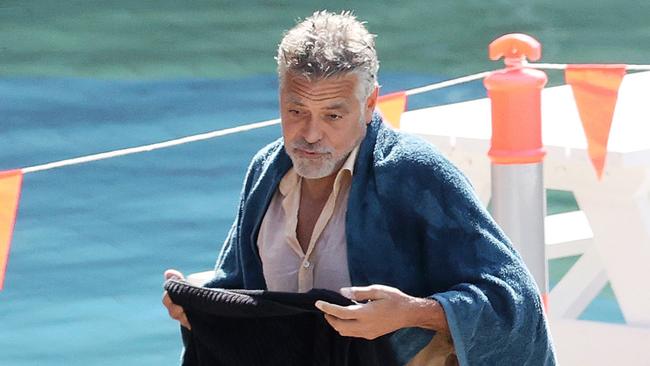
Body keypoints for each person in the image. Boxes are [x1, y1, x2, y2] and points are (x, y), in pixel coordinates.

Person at [163, 10, 556, 365]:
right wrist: (197, 305)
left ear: (369, 104)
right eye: (296, 111)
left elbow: (514, 301)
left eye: (333, 115)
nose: (310, 134)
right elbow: (238, 288)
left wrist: (411, 312)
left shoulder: (414, 173)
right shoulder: (266, 170)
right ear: (280, 96)